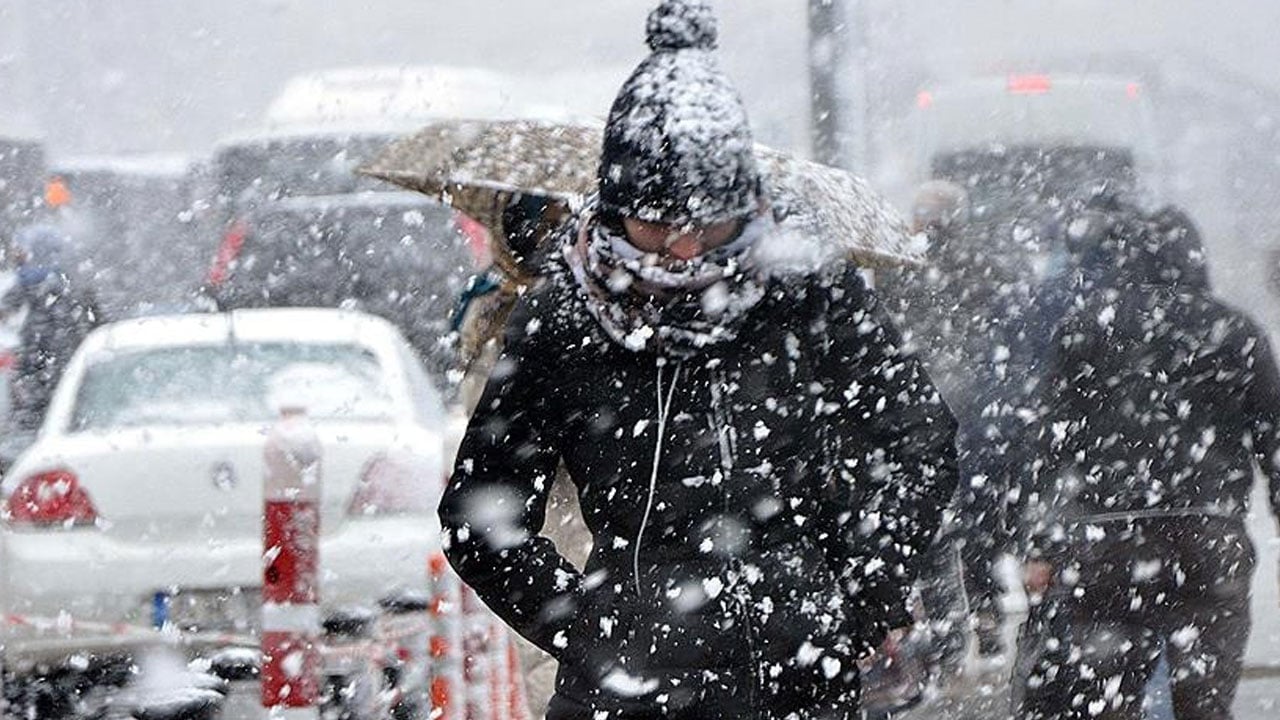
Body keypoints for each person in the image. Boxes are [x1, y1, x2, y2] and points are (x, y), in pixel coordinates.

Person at [438, 2, 959, 719]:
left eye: (708, 226)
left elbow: (918, 440)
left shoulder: (808, 293)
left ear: (746, 207)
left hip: (800, 682)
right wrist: (590, 628)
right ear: (615, 209)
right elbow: (480, 516)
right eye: (656, 226)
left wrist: (861, 592)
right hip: (623, 693)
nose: (683, 252)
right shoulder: (564, 319)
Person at [1013, 202, 1280, 720]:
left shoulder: (1085, 328)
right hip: (1207, 530)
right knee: (1204, 697)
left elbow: (1047, 442)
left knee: (1109, 694)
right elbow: (1273, 428)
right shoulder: (1233, 330)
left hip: (1105, 540)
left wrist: (1041, 544)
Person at [876, 180, 1017, 662]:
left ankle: (947, 637)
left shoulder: (897, 266)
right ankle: (986, 612)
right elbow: (1002, 336)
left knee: (933, 524)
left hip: (919, 409)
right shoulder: (984, 264)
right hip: (974, 408)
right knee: (980, 522)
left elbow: (889, 332)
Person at [0, 224, 103, 433]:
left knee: (35, 412)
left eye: (22, 248)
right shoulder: (65, 279)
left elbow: (7, 306)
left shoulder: (32, 280)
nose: (17, 254)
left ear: (35, 250)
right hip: (63, 357)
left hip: (41, 357)